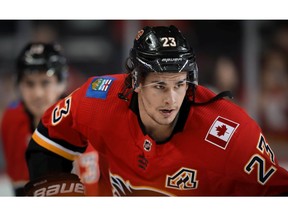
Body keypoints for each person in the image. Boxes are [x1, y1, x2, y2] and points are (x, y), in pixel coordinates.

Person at [25, 25, 288, 196]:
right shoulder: (97, 99)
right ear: (136, 81)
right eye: (160, 85)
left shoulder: (231, 133)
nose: (172, 99)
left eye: (180, 84)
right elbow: (48, 141)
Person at [1, 42, 98, 196]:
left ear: (62, 83)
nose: (37, 93)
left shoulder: (84, 122)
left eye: (45, 82)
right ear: (19, 85)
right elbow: (20, 189)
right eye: (29, 83)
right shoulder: (12, 118)